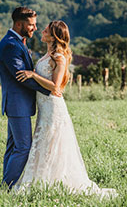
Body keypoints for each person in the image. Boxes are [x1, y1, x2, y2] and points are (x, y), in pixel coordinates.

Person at [15, 20, 117, 198]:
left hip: (53, 107)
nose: (42, 31)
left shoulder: (59, 57)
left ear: (54, 36)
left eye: (46, 30)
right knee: (44, 142)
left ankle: (53, 181)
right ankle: (41, 180)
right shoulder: (46, 56)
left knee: (53, 143)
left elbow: (56, 87)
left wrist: (33, 75)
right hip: (43, 107)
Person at [0, 7, 60, 189]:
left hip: (19, 104)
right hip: (18, 105)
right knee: (23, 148)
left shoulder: (18, 42)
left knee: (13, 146)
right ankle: (7, 187)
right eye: (31, 25)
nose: (34, 28)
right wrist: (50, 90)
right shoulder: (10, 45)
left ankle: (5, 186)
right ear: (19, 24)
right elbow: (21, 76)